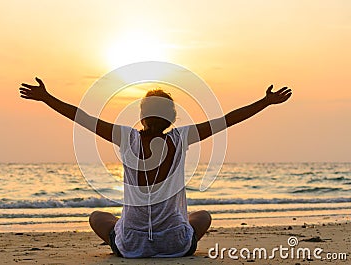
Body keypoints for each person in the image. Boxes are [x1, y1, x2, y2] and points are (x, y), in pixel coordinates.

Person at [19, 77, 292, 257]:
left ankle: (132, 236)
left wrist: (47, 97)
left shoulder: (126, 137)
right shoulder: (181, 137)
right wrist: (265, 102)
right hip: (176, 244)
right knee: (203, 216)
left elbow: (83, 118)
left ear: (142, 115)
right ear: (172, 118)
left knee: (97, 217)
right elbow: (228, 119)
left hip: (131, 245)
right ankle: (161, 232)